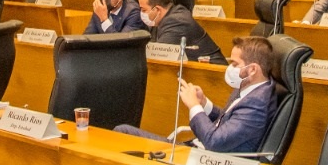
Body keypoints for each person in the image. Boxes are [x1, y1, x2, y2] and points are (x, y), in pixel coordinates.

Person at [114, 36, 276, 154]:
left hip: (207, 162)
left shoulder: (257, 104)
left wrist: (194, 106)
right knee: (124, 133)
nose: (230, 68)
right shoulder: (250, 87)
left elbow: (215, 142)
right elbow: (228, 122)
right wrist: (204, 104)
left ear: (253, 69)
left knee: (123, 134)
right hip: (196, 150)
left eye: (235, 64)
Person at [139, 0, 226, 64]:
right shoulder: (165, 17)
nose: (141, 14)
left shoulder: (177, 21)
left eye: (143, 10)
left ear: (157, 9)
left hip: (212, 73)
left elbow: (156, 56)